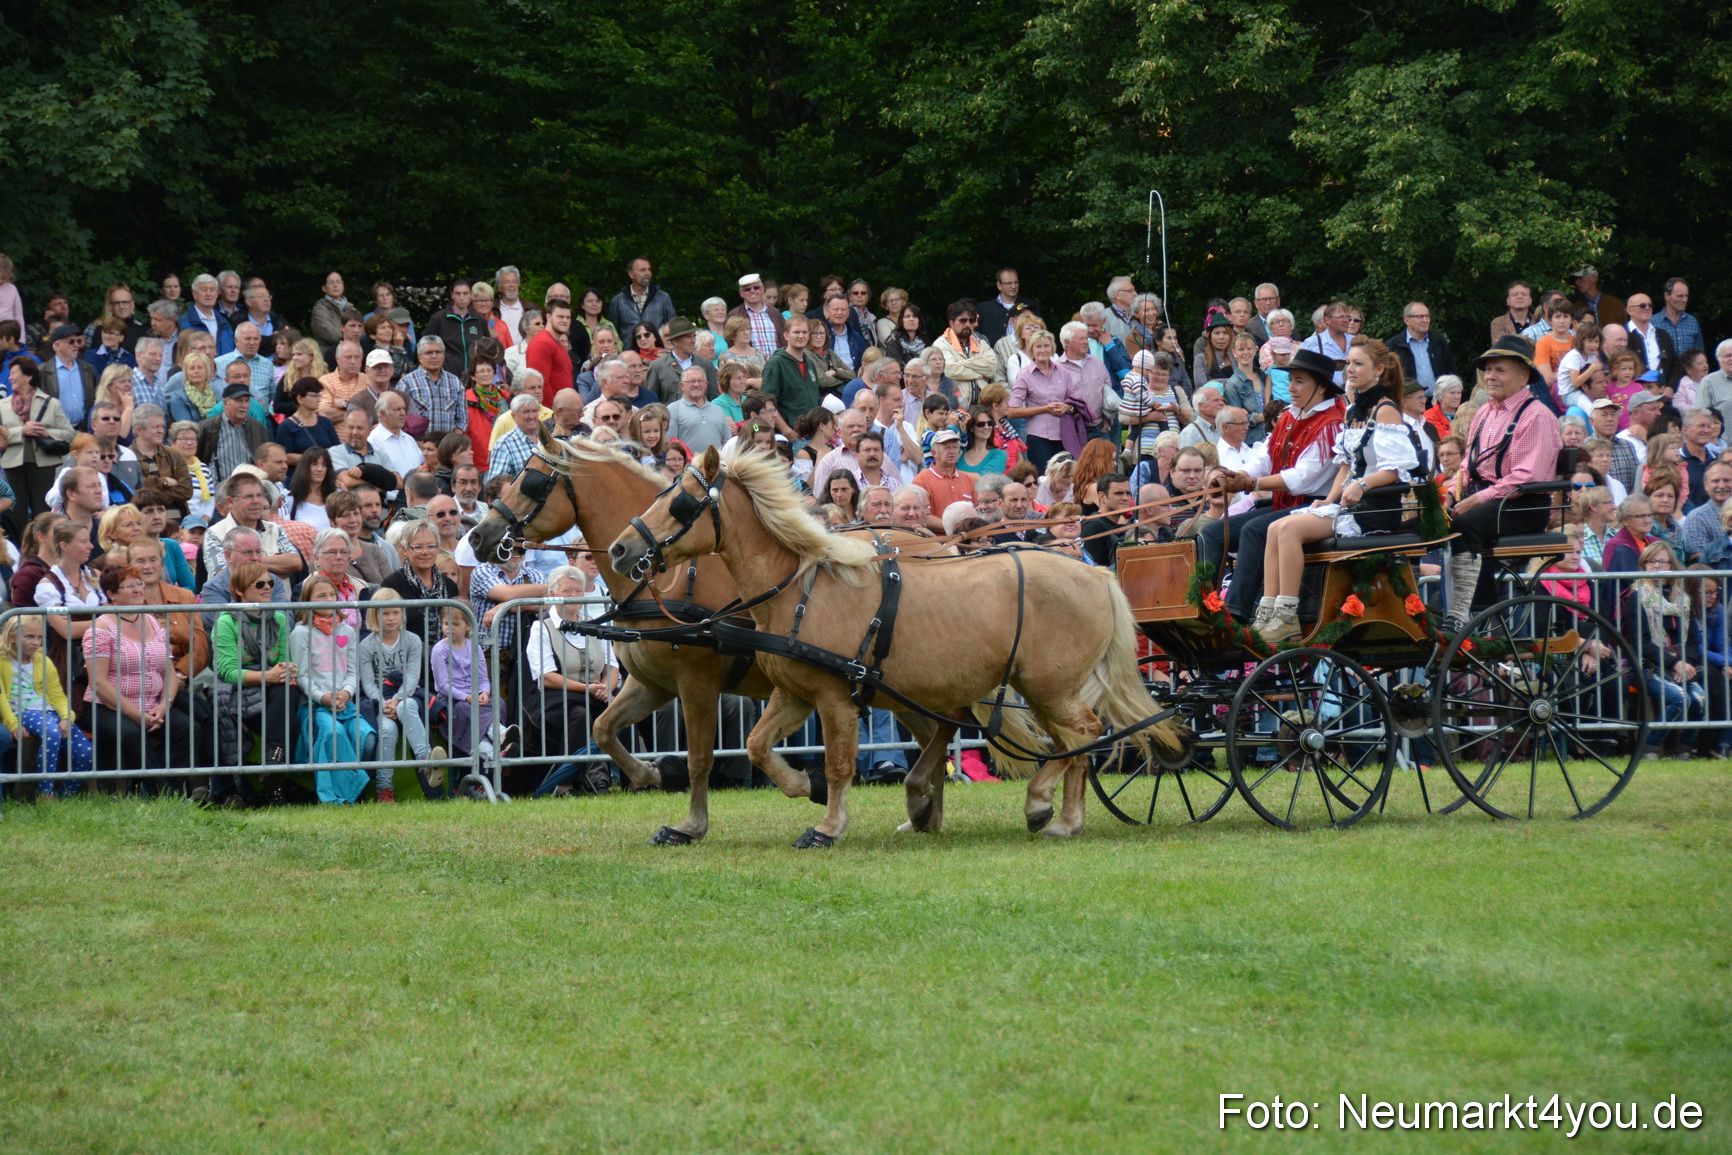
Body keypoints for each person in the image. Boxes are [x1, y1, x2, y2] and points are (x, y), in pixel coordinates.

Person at [1254, 340, 1422, 641]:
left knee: (1290, 531)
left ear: (1379, 370)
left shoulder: (1385, 411)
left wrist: (1362, 484)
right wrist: (1327, 500)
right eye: (1349, 364)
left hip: (1376, 508)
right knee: (1275, 528)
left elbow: (1394, 470)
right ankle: (1267, 612)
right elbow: (1345, 465)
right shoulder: (1354, 411)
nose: (1350, 370)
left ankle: (1287, 615)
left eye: (1358, 364)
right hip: (1349, 502)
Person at [1199, 348, 1346, 624]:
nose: (1290, 387)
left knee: (1256, 529)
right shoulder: (1290, 416)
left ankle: (1237, 613)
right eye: (1290, 380)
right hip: (1282, 505)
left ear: (1321, 387)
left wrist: (1252, 482)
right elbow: (1263, 459)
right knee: (1213, 533)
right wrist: (1234, 477)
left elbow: (1303, 478)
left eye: (1299, 381)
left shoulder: (1332, 424)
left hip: (1313, 507)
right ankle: (1205, 607)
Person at [1441, 337, 1564, 632]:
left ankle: (1473, 614)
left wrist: (1476, 499)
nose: (1490, 376)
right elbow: (1466, 465)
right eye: (1487, 370)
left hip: (1524, 504)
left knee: (1465, 524)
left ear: (1524, 376)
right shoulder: (1484, 412)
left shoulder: (1538, 415)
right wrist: (1450, 493)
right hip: (1486, 499)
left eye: (1500, 370)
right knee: (1428, 523)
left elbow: (1527, 478)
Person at [85, 563, 208, 784]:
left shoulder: (151, 620)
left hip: (152, 704)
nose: (137, 590)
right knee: (132, 734)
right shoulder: (100, 628)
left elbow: (168, 671)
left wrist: (164, 704)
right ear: (112, 594)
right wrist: (136, 715)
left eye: (138, 584)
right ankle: (160, 795)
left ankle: (167, 792)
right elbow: (99, 683)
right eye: (128, 586)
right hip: (109, 706)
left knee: (188, 730)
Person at [522, 565, 617, 796]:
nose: (574, 596)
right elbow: (546, 677)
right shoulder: (540, 628)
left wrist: (606, 688)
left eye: (578, 591)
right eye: (567, 591)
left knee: (621, 710)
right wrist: (588, 689)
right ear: (553, 595)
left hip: (595, 692)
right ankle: (566, 782)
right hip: (556, 696)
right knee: (579, 714)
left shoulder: (595, 623)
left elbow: (612, 665)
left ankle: (636, 779)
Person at [211, 561, 297, 789]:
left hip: (273, 686)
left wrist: (283, 670)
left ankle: (273, 762)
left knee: (286, 689)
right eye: (259, 584)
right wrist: (266, 676)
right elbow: (227, 671)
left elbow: (283, 660)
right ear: (239, 590)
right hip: (240, 688)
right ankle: (274, 783)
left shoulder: (278, 619)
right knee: (289, 721)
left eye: (270, 582)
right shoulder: (226, 621)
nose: (267, 587)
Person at [289, 574, 375, 802]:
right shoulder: (300, 633)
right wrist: (323, 697)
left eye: (332, 595)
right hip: (315, 705)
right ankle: (343, 795)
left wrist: (346, 693)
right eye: (321, 596)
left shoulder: (347, 631)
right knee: (333, 734)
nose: (328, 599)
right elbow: (302, 675)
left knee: (366, 738)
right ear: (308, 600)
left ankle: (354, 789)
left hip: (345, 701)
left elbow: (352, 672)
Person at [358, 589, 444, 803]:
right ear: (374, 616)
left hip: (407, 696)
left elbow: (413, 677)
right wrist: (385, 703)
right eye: (385, 613)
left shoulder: (413, 640)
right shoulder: (365, 645)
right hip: (381, 701)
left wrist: (397, 699)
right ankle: (384, 789)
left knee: (407, 707)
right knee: (386, 730)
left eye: (395, 612)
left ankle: (427, 761)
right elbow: (368, 683)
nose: (391, 618)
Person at [1621, 540, 1703, 760]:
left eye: (1662, 561)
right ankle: (1649, 747)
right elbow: (1641, 643)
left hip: (1680, 663)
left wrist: (1687, 663)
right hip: (1648, 665)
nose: (1657, 566)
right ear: (1644, 565)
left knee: (1699, 698)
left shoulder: (1683, 599)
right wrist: (1673, 663)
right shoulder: (1636, 597)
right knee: (1679, 698)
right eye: (1651, 561)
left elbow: (1694, 640)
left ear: (1672, 565)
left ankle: (1684, 749)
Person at [0, 612, 94, 798]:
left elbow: (57, 695)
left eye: (40, 637)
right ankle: (45, 794)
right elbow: (1, 697)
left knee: (86, 754)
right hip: (22, 711)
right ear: (12, 637)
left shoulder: (44, 661)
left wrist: (67, 716)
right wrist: (12, 723)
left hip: (49, 712)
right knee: (51, 731)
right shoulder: (2, 662)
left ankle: (64, 797)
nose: (36, 642)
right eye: (29, 637)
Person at [4, 358, 77, 521]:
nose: (9, 378)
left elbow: (70, 434)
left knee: (42, 511)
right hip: (12, 463)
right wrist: (22, 431)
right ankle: (17, 545)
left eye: (13, 373)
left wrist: (47, 433)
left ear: (28, 376)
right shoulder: (2, 405)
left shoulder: (51, 403)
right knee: (16, 511)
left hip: (44, 464)